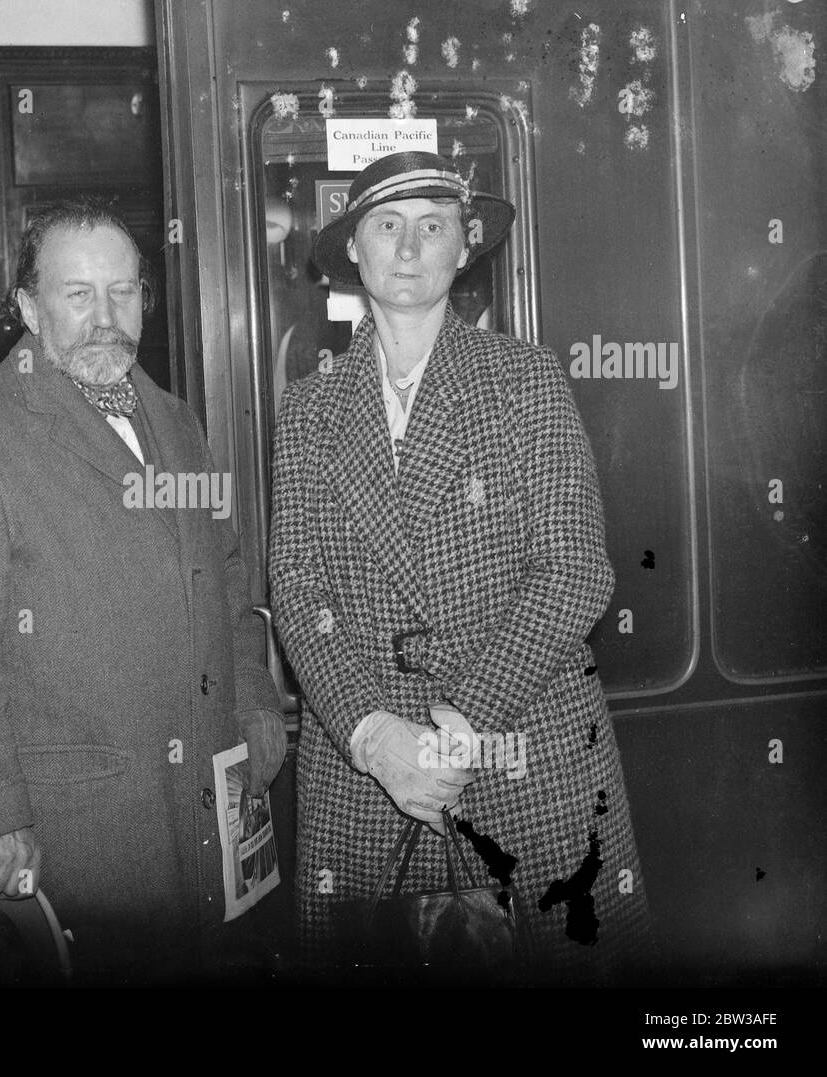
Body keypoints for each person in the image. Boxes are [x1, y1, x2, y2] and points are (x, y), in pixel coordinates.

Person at [0, 197, 287, 981]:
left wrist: (258, 713)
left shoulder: (179, 423)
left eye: (124, 291)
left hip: (209, 822)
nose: (107, 317)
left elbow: (229, 587)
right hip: (78, 840)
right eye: (78, 293)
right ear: (29, 307)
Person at [268, 151, 652, 981]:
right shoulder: (308, 410)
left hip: (523, 755)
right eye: (387, 225)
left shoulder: (529, 381)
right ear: (354, 254)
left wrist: (457, 726)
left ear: (463, 250)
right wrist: (376, 737)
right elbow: (296, 589)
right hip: (367, 771)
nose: (409, 247)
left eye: (432, 225)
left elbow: (576, 569)